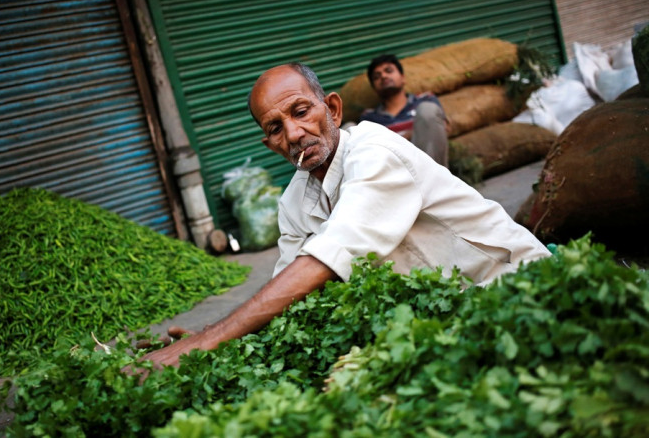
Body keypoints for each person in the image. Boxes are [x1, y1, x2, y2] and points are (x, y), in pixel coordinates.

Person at [130, 62, 550, 375]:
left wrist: (208, 342)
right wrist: (214, 336)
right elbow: (293, 295)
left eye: (300, 112)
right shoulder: (293, 201)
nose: (293, 134)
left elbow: (329, 255)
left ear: (331, 108)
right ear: (269, 142)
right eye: (275, 128)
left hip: (507, 285)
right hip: (435, 321)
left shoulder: (374, 150)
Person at [360, 54, 450, 167]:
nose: (383, 76)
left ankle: (434, 181)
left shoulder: (425, 100)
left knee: (427, 110)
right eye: (376, 77)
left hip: (426, 166)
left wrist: (393, 141)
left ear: (403, 78)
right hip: (390, 171)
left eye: (389, 71)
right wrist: (411, 133)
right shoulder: (369, 117)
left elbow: (441, 129)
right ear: (374, 88)